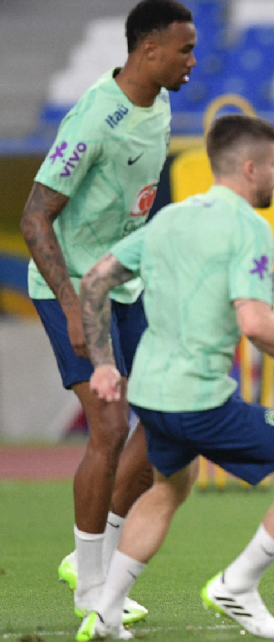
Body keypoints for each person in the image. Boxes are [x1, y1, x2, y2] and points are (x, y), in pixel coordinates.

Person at [74, 115, 274, 640]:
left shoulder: (168, 220)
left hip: (153, 398)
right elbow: (253, 322)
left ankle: (106, 614)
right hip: (199, 401)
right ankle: (238, 584)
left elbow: (94, 282)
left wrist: (104, 363)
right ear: (250, 168)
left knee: (168, 487)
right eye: (273, 166)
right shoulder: (247, 225)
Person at [19, 0, 196, 624]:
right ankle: (91, 589)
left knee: (168, 419)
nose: (192, 63)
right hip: (75, 287)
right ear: (148, 51)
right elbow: (34, 216)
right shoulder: (97, 117)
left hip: (127, 284)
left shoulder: (163, 101)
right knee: (110, 424)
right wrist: (71, 305)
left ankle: (91, 558)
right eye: (184, 51)